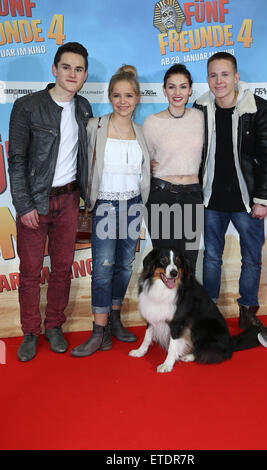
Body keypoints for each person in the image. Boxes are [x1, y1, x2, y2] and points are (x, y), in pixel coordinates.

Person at [8, 42, 93, 362]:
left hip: (70, 201)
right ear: (54, 69)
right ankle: (30, 331)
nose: (73, 73)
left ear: (85, 75)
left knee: (61, 269)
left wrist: (88, 198)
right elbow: (16, 160)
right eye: (67, 67)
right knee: (29, 270)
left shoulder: (84, 107)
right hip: (36, 202)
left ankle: (54, 326)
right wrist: (24, 204)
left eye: (79, 69)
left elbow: (85, 157)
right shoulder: (27, 106)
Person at [193, 52, 267, 329]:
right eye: (213, 75)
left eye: (224, 74)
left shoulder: (260, 108)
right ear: (207, 78)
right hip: (211, 199)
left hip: (248, 200)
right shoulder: (199, 108)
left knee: (252, 258)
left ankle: (247, 310)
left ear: (236, 77)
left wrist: (263, 199)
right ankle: (208, 310)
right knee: (211, 257)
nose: (218, 81)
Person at [70, 65, 150, 357]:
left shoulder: (141, 133)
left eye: (128, 95)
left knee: (124, 266)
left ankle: (114, 321)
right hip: (104, 206)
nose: (122, 101)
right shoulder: (95, 126)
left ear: (137, 97)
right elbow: (80, 164)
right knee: (102, 269)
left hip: (131, 207)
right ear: (109, 97)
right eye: (116, 95)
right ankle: (97, 331)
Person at [142, 64, 204, 273]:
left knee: (188, 265)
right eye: (172, 87)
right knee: (165, 265)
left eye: (182, 87)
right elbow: (143, 160)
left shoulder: (201, 118)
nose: (177, 93)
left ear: (190, 90)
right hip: (161, 195)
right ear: (164, 90)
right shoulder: (151, 122)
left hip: (192, 197)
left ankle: (187, 307)